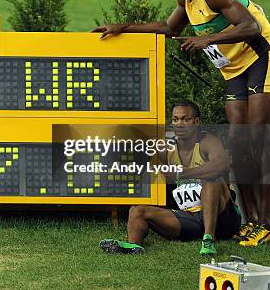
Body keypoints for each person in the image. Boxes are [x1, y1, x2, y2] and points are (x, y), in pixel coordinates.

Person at [92, 0, 270, 246]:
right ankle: (252, 221)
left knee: (257, 135)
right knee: (239, 141)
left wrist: (207, 39)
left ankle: (265, 222)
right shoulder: (186, 2)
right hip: (234, 69)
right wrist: (123, 27)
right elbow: (169, 29)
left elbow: (251, 27)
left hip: (262, 55)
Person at [100, 101, 240, 256]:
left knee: (210, 178)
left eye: (185, 119)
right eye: (175, 119)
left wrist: (181, 173)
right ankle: (133, 245)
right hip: (191, 218)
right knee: (137, 210)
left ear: (196, 121)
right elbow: (140, 144)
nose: (179, 124)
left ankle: (209, 239)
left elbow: (221, 166)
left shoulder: (208, 141)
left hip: (223, 219)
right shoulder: (167, 148)